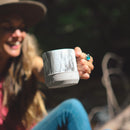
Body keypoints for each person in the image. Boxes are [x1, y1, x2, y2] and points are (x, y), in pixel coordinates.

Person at [0, 0, 94, 130]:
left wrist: (74, 64)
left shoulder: (26, 60)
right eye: (8, 27)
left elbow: (43, 70)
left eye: (22, 28)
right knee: (72, 108)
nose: (18, 35)